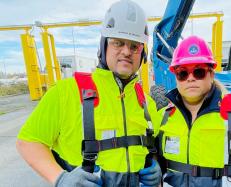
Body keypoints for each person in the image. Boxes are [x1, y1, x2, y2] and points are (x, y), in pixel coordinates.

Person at [16, 0, 162, 186]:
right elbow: (28, 142)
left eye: (135, 46)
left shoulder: (147, 103)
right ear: (104, 46)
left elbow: (154, 145)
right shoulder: (66, 92)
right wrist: (60, 178)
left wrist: (156, 165)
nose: (126, 51)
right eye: (118, 42)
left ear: (142, 53)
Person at [157, 36, 231, 187]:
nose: (190, 79)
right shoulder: (164, 117)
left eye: (198, 72)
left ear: (211, 74)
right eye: (183, 73)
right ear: (176, 77)